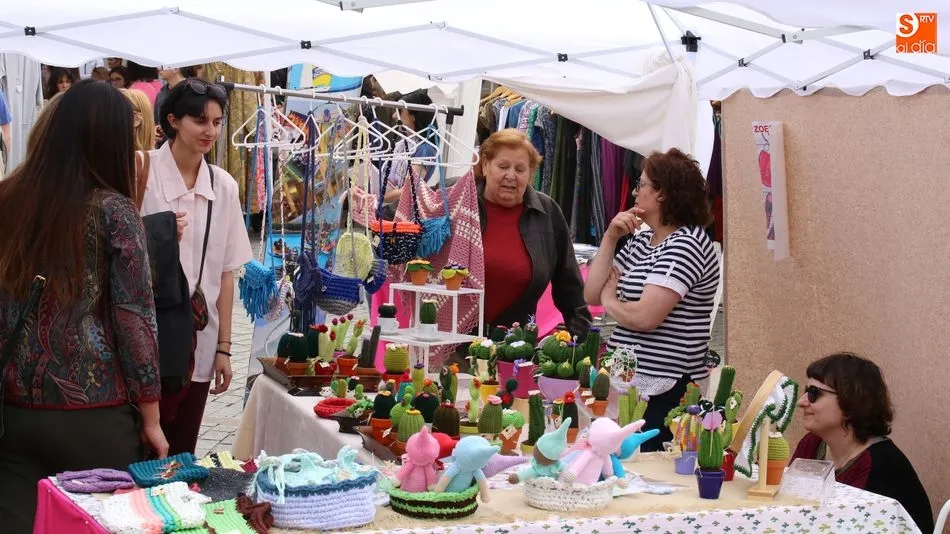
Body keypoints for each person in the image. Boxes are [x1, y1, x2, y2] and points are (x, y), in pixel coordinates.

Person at [0, 79, 167, 533]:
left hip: (15, 412)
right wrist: (152, 419)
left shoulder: (7, 198)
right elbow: (135, 322)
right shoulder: (115, 211)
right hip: (94, 415)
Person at [140, 78, 253, 455]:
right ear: (172, 120)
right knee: (138, 453)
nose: (211, 131)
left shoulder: (223, 187)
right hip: (145, 339)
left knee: (182, 454)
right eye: (200, 120)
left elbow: (225, 272)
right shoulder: (141, 172)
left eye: (218, 122)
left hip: (199, 340)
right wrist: (156, 232)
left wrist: (224, 349)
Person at [584, 147, 718, 452]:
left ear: (662, 194)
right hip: (627, 376)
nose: (634, 191)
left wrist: (611, 301)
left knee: (646, 465)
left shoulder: (688, 243)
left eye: (641, 184)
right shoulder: (643, 240)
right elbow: (592, 293)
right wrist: (610, 236)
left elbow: (646, 317)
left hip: (666, 383)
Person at [792, 352, 933, 533]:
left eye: (813, 394)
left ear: (851, 402)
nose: (801, 402)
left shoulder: (882, 464)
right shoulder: (811, 444)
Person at [475, 129, 591, 338]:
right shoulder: (460, 200)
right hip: (452, 344)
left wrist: (583, 340)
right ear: (485, 165)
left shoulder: (547, 212)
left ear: (531, 174)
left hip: (514, 348)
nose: (511, 175)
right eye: (503, 166)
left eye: (520, 169)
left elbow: (570, 287)